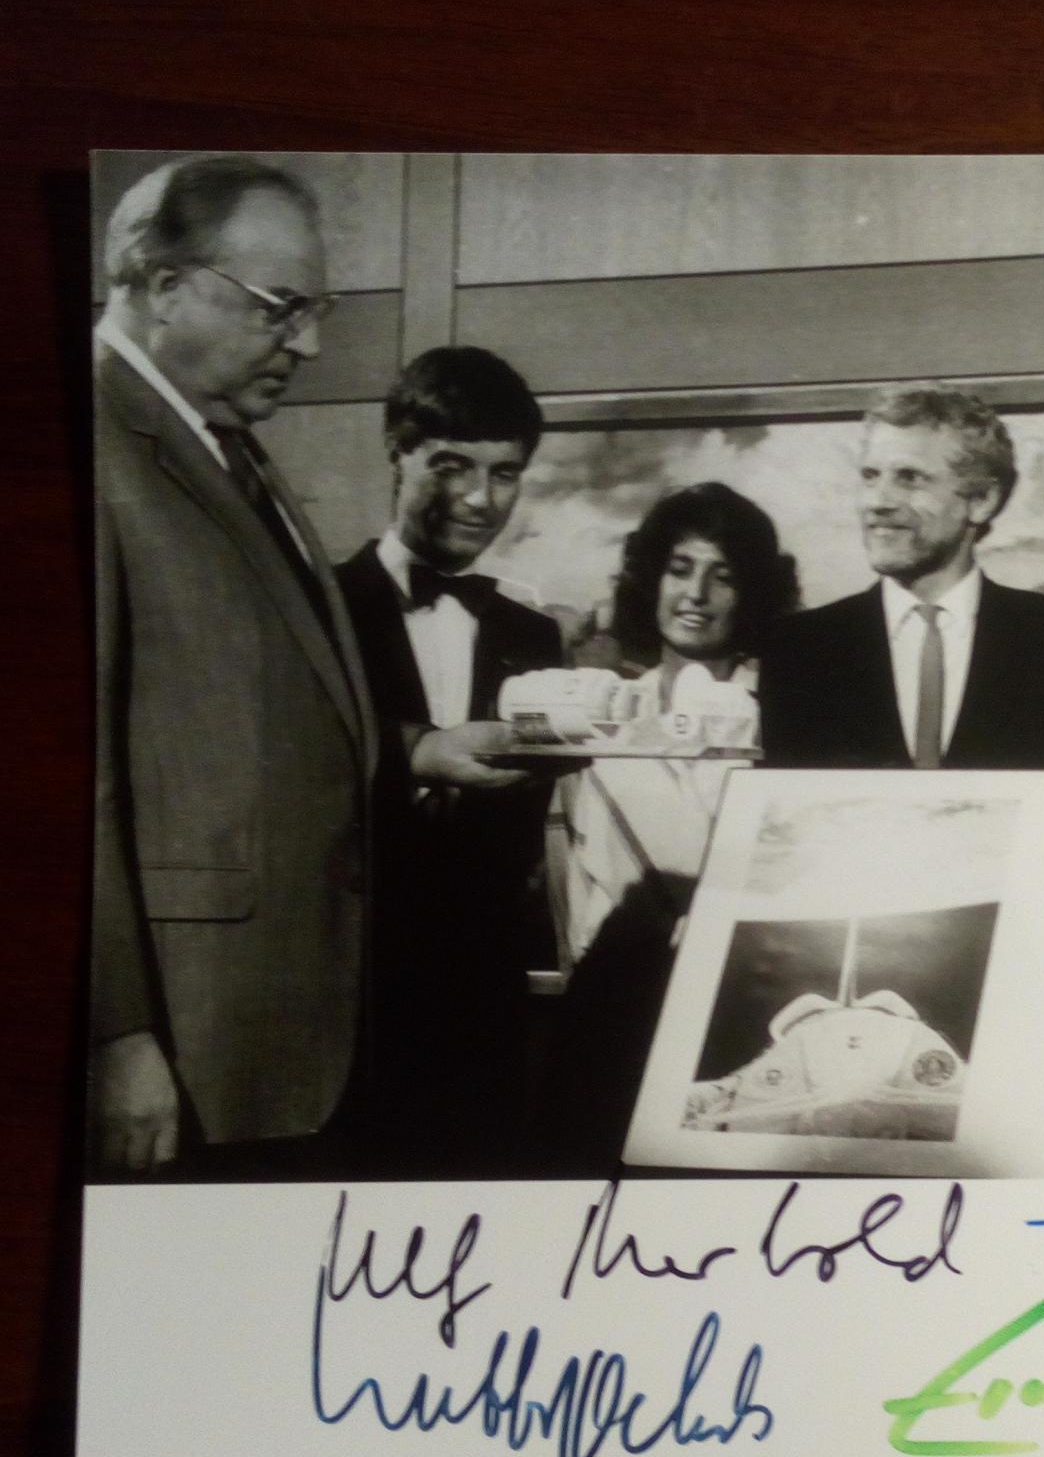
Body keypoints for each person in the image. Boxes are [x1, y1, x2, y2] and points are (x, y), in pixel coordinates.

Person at [92, 155, 372, 1176]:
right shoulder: (93, 446)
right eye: (279, 307)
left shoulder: (227, 445)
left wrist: (416, 748)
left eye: (315, 310)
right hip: (176, 1045)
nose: (309, 343)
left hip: (265, 1037)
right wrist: (114, 1032)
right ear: (166, 286)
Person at [335, 347, 563, 1174]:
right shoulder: (317, 608)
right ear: (397, 452)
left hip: (482, 1013)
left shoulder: (534, 637)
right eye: (452, 466)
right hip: (342, 1006)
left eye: (504, 474)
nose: (479, 498)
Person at [535, 482, 799, 1173]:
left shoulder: (784, 716)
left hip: (737, 1009)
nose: (696, 595)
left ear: (753, 593)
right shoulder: (598, 715)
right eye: (680, 569)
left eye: (723, 576)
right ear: (650, 577)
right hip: (611, 1010)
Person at [759, 384, 1044, 769]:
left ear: (981, 501)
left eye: (909, 478)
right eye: (870, 476)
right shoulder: (798, 649)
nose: (877, 502)